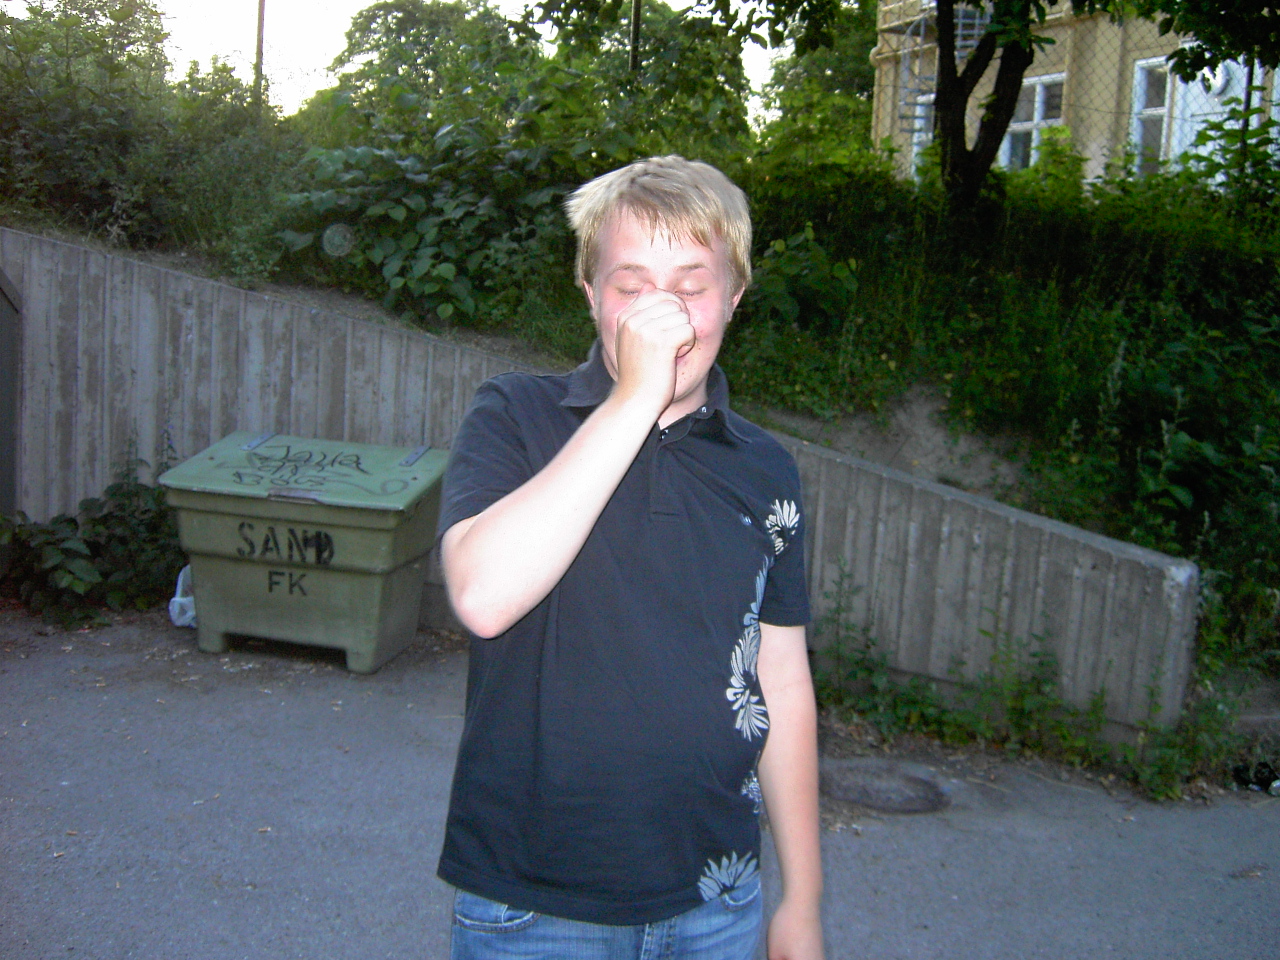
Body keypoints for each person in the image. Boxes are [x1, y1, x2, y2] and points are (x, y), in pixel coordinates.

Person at [436, 155, 824, 960]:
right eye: (631, 284)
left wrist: (803, 902)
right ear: (589, 294)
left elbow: (782, 682)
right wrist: (634, 398)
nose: (662, 313)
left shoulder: (766, 470)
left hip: (718, 902)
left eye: (691, 285)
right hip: (535, 906)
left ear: (735, 296)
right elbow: (482, 595)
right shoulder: (516, 415)